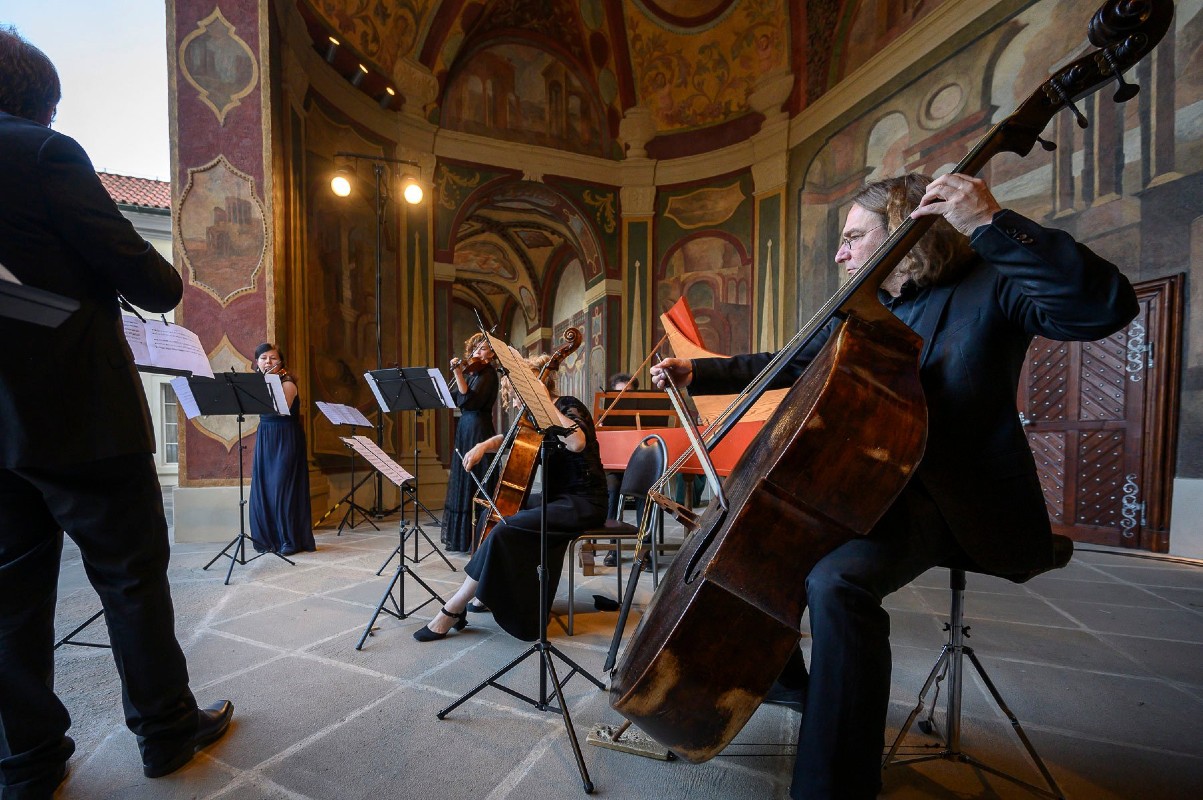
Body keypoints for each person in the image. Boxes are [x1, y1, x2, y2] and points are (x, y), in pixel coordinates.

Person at [651, 172, 1138, 799]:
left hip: (955, 500)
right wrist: (700, 370)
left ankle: (835, 786)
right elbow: (789, 359)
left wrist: (990, 222)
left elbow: (1104, 305)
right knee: (775, 548)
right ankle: (793, 683)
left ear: (906, 234)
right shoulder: (871, 311)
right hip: (868, 489)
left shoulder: (990, 283)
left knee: (837, 579)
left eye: (854, 236)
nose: (840, 252)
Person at [0, 27, 232, 797]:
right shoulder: (42, 152)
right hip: (80, 412)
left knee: (7, 597)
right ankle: (165, 732)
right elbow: (157, 283)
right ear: (38, 99)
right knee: (131, 577)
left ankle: (26, 760)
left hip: (1, 430)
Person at [415, 355, 608, 642]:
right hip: (556, 499)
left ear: (535, 388)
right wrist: (483, 445)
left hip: (584, 502)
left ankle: (454, 607)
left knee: (506, 529)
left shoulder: (567, 406)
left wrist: (541, 399)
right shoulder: (536, 419)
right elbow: (507, 437)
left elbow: (577, 442)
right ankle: (483, 592)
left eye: (517, 395)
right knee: (491, 515)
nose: (515, 403)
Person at [248, 343, 315, 556]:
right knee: (264, 487)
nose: (268, 362)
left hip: (285, 437)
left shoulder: (288, 383)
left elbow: (280, 409)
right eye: (264, 358)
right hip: (266, 437)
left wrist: (266, 382)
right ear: (257, 362)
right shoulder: (256, 383)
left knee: (281, 488)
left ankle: (290, 540)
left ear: (281, 361)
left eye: (273, 358)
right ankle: (269, 539)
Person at [440, 332, 500, 553]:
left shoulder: (489, 374)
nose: (480, 352)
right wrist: (458, 375)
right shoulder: (472, 372)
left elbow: (470, 400)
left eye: (485, 348)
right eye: (478, 347)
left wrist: (457, 373)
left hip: (478, 428)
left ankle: (481, 537)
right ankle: (463, 539)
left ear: (492, 353)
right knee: (463, 479)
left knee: (478, 480)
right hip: (465, 427)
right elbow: (457, 398)